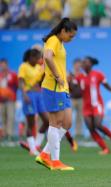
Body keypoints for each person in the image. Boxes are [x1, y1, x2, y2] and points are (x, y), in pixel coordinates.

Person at [35, 17, 77, 171]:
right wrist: (58, 76)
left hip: (62, 88)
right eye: (70, 36)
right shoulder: (53, 39)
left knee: (67, 123)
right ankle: (55, 161)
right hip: (53, 87)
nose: (71, 39)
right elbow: (47, 57)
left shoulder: (59, 43)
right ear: (63, 31)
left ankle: (45, 154)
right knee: (56, 122)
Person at [77, 56, 111, 155]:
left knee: (98, 125)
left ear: (91, 64)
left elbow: (106, 85)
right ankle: (105, 148)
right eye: (83, 62)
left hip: (97, 105)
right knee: (91, 128)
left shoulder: (98, 74)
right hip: (86, 106)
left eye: (86, 62)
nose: (83, 64)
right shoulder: (79, 77)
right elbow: (76, 91)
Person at [18, 48, 48, 156]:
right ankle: (32, 149)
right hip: (29, 95)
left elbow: (40, 82)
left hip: (39, 95)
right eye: (37, 57)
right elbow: (21, 81)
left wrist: (46, 72)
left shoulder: (38, 67)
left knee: (47, 120)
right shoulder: (23, 66)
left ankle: (36, 145)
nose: (39, 59)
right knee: (31, 123)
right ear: (31, 57)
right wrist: (24, 94)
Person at [0, 58, 18, 145]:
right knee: (3, 118)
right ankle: (4, 135)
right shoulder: (0, 76)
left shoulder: (12, 74)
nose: (3, 66)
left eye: (4, 64)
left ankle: (10, 135)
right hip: (1, 101)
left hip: (10, 101)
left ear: (7, 65)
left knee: (10, 117)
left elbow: (17, 85)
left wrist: (11, 94)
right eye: (1, 64)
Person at [68, 58, 83, 138]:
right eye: (76, 64)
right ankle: (66, 132)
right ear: (74, 65)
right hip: (72, 98)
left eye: (79, 64)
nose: (78, 66)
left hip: (81, 99)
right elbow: (66, 85)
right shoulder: (70, 74)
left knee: (79, 117)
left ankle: (79, 133)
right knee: (68, 116)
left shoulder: (82, 75)